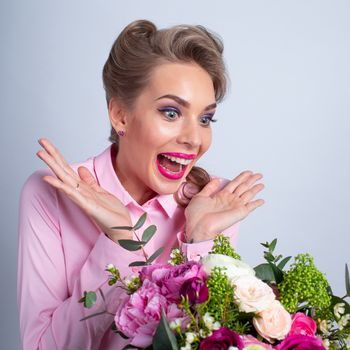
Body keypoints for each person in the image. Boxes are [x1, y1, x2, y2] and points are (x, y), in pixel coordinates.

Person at [17, 20, 265, 350]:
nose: (194, 139)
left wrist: (200, 241)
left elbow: (208, 339)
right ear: (120, 115)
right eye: (171, 112)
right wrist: (121, 241)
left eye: (205, 119)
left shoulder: (211, 204)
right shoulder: (52, 194)